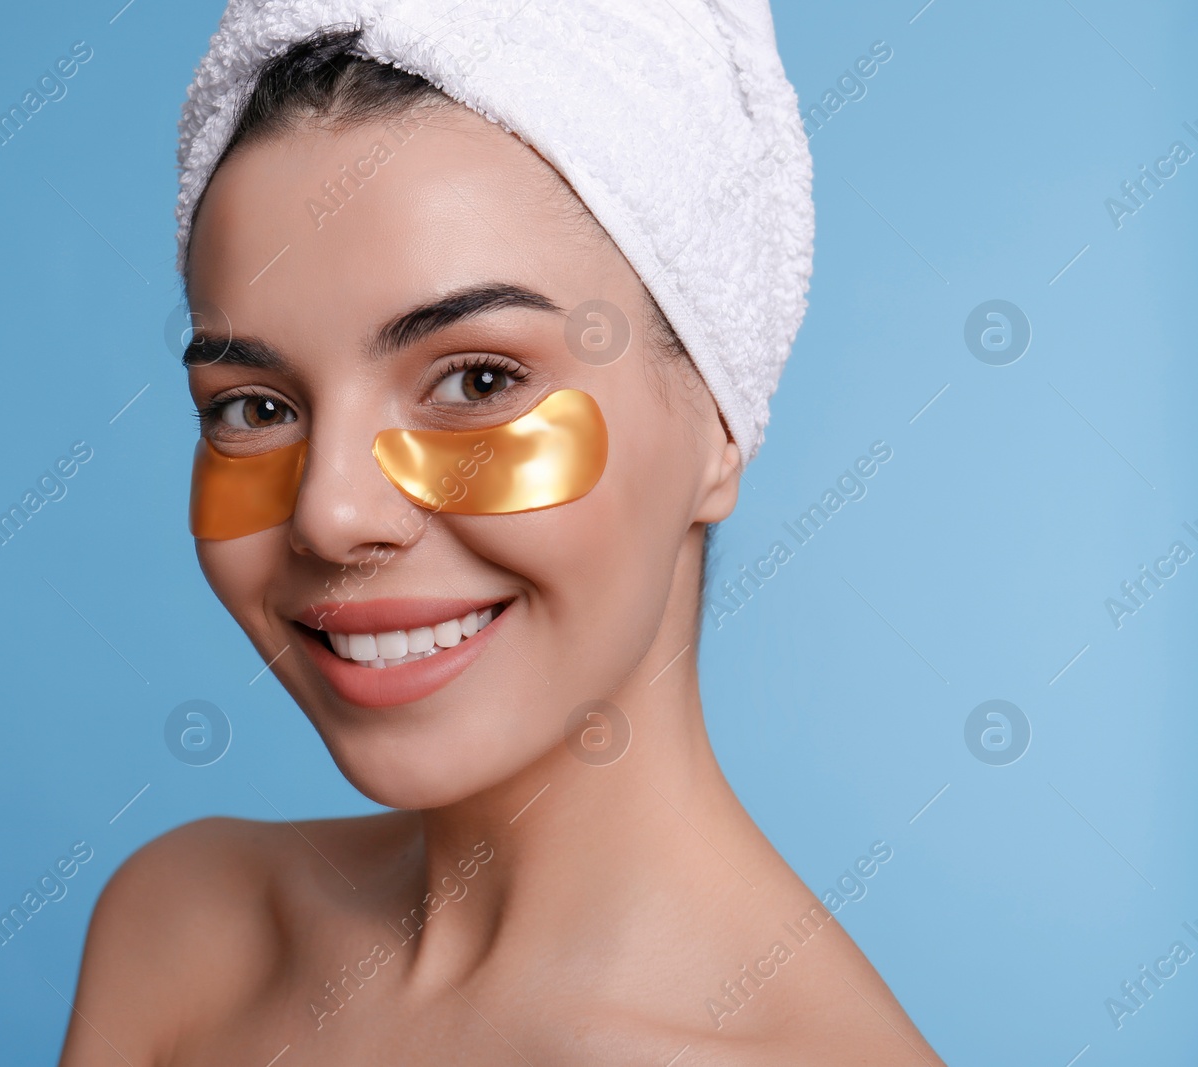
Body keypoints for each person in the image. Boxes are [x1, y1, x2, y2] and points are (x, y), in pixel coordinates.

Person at [61, 6, 943, 1063]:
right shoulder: (183, 928)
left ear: (716, 427)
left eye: (478, 380)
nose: (331, 513)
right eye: (254, 406)